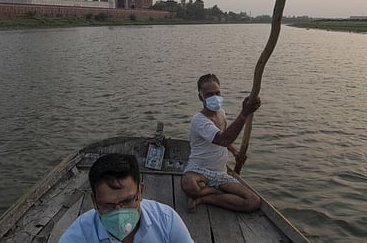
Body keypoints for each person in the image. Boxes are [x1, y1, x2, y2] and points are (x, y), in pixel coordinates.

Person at [59, 153, 194, 243]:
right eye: (108, 205)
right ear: (94, 201)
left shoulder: (166, 221)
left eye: (127, 201)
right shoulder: (78, 236)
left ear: (140, 192)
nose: (119, 213)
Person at [181, 73, 262, 213]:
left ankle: (204, 198)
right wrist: (244, 114)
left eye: (217, 93)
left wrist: (235, 152)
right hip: (198, 170)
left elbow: (225, 141)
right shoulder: (199, 120)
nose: (215, 97)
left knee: (253, 201)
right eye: (209, 94)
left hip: (220, 173)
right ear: (201, 97)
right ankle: (211, 191)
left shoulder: (221, 114)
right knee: (189, 185)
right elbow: (223, 139)